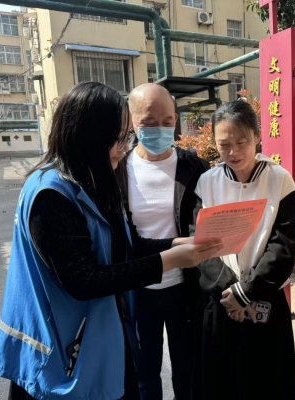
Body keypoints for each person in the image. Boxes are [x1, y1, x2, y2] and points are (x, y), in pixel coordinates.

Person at [0, 82, 222, 400]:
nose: (125, 147)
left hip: (94, 338)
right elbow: (84, 279)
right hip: (61, 354)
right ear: (91, 135)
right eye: (120, 137)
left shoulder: (91, 179)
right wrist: (168, 260)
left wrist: (173, 245)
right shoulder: (50, 194)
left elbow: (121, 245)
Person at [191, 100, 295, 400]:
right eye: (224, 145)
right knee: (220, 383)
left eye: (241, 142)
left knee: (266, 382)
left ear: (257, 136)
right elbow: (199, 244)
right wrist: (231, 293)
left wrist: (247, 292)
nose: (233, 152)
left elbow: (283, 246)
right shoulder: (207, 183)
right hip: (220, 299)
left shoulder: (279, 180)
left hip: (264, 297)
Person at [115, 83, 209, 400]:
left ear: (176, 119)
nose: (159, 129)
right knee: (144, 372)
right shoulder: (118, 171)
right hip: (138, 290)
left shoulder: (195, 167)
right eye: (149, 123)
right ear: (132, 122)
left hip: (185, 287)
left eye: (167, 121)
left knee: (188, 368)